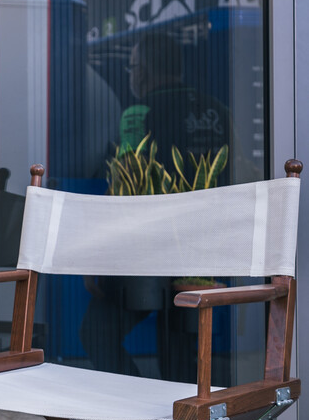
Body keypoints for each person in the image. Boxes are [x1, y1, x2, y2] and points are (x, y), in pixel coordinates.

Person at [80, 30, 231, 379]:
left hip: (148, 254)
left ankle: (142, 404)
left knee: (96, 332)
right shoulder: (218, 111)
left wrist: (96, 258)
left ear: (143, 71)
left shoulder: (138, 114)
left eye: (131, 67)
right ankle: (176, 419)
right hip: (201, 255)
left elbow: (124, 187)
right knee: (177, 347)